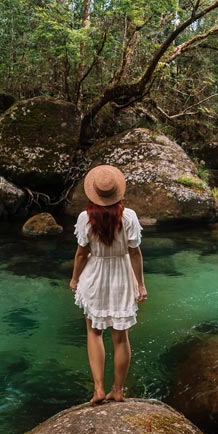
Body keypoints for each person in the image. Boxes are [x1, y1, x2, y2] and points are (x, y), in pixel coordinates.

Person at [69, 164, 147, 404]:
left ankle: (99, 389)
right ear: (117, 193)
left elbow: (82, 254)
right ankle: (119, 390)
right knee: (121, 336)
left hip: (95, 275)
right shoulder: (130, 217)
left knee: (94, 332)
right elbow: (135, 253)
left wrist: (74, 279)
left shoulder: (86, 218)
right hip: (122, 276)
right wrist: (140, 285)